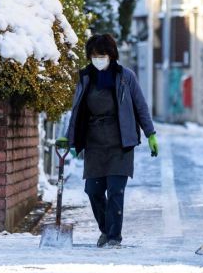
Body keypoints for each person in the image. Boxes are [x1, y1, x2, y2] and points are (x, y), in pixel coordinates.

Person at [67, 34, 158, 248]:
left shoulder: (126, 77)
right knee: (94, 191)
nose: (98, 59)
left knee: (116, 190)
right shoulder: (85, 78)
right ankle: (106, 230)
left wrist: (150, 133)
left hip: (120, 141)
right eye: (94, 55)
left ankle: (114, 237)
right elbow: (77, 109)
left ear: (111, 55)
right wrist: (70, 138)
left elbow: (140, 106)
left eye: (102, 55)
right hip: (94, 141)